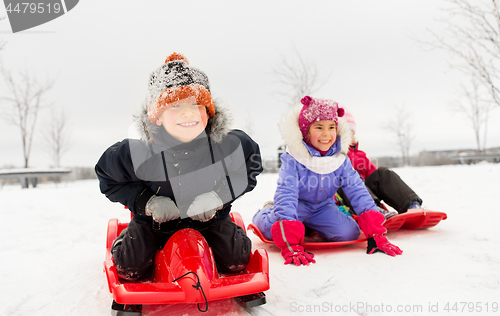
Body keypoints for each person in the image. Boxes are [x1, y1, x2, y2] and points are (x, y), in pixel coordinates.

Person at [95, 52, 263, 281]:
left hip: (209, 219)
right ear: (157, 117)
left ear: (208, 112)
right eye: (174, 106)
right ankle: (125, 239)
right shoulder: (137, 152)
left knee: (236, 261)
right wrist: (146, 202)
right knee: (129, 268)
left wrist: (218, 196)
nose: (187, 112)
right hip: (154, 224)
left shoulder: (228, 145)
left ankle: (230, 233)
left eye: (196, 104)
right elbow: (108, 178)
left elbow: (247, 169)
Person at [252, 96, 402, 266]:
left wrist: (376, 233)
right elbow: (287, 192)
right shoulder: (294, 158)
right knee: (273, 231)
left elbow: (357, 190)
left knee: (349, 233)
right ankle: (265, 212)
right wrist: (290, 242)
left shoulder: (340, 159)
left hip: (323, 206)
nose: (326, 134)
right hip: (297, 205)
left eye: (331, 127)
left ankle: (310, 225)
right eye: (319, 127)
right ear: (306, 131)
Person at [338, 110, 423, 218]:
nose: (349, 136)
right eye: (346, 132)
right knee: (350, 178)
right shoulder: (335, 155)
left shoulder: (360, 155)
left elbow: (375, 176)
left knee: (383, 173)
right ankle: (373, 209)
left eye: (352, 132)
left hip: (367, 191)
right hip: (348, 196)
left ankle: (411, 204)